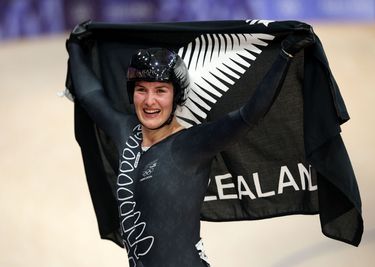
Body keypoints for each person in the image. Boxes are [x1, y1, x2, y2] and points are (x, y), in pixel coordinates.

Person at [66, 23, 315, 267]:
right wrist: (76, 46)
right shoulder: (125, 131)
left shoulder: (190, 145)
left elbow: (247, 116)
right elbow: (90, 96)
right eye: (141, 89)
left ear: (177, 96)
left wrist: (284, 55)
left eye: (161, 90)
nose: (149, 101)